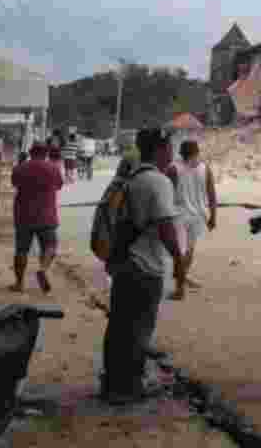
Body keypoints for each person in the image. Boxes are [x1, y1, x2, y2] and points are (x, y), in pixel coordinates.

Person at [101, 127, 186, 406]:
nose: (172, 152)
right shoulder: (158, 182)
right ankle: (129, 387)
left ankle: (113, 383)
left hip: (125, 262)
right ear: (160, 149)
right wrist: (179, 260)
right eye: (169, 147)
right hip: (145, 266)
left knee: (119, 327)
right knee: (139, 328)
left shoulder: (133, 178)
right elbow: (165, 227)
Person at [10, 143, 64, 293]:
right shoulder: (53, 168)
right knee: (50, 246)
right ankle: (43, 269)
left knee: (21, 250)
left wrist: (20, 163)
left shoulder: (21, 168)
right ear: (45, 154)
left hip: (24, 216)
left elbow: (14, 183)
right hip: (47, 216)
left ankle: (19, 284)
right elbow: (59, 185)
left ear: (30, 152)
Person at [169, 140, 218, 300]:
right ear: (197, 152)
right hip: (198, 216)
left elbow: (167, 194)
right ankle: (182, 279)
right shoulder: (205, 169)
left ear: (181, 154)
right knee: (189, 251)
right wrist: (213, 217)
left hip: (179, 216)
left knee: (180, 253)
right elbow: (212, 195)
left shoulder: (174, 169)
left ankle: (180, 288)